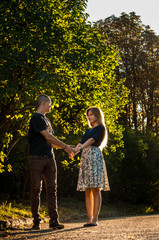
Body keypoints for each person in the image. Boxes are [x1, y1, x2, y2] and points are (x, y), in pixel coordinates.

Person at [28, 94, 74, 230]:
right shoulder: (36, 118)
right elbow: (47, 136)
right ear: (43, 103)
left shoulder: (46, 120)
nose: (51, 106)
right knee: (36, 189)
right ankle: (36, 222)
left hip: (50, 158)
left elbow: (51, 142)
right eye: (50, 103)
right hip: (36, 158)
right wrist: (65, 147)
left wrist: (68, 148)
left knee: (52, 190)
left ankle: (54, 221)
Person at [74, 106, 110, 227]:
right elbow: (81, 142)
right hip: (85, 158)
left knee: (95, 188)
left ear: (97, 115)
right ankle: (89, 219)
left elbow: (91, 141)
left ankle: (95, 219)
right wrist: (74, 150)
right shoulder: (88, 130)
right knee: (87, 189)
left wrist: (79, 148)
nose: (89, 117)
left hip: (94, 157)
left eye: (92, 115)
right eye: (88, 115)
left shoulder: (101, 128)